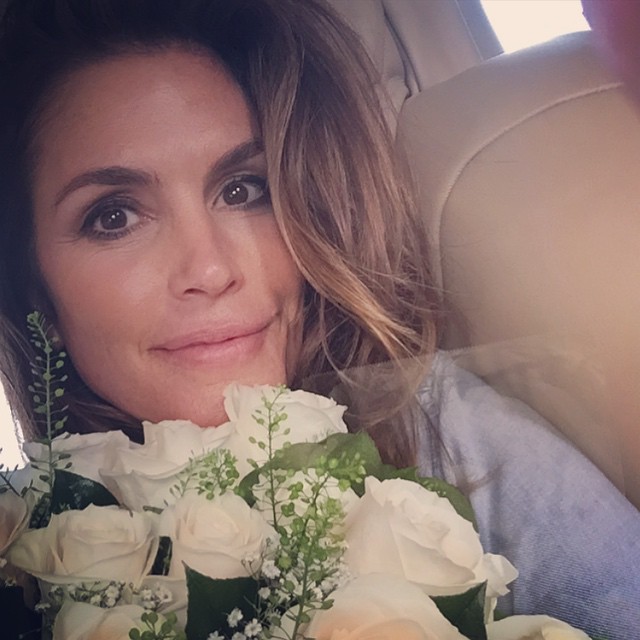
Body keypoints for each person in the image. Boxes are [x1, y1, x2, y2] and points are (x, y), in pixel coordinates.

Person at [0, 1, 638, 637]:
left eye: (243, 190)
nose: (211, 269)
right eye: (113, 217)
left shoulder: (448, 433)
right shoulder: (20, 550)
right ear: (37, 297)